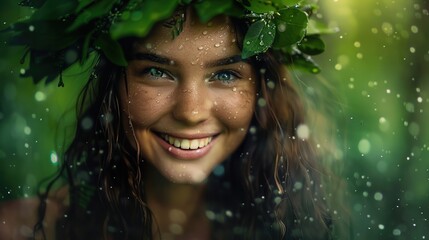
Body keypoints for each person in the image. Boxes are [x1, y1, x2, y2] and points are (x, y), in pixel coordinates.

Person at [0, 1, 347, 239]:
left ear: (261, 92)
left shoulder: (284, 228)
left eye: (225, 75)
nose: (190, 112)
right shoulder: (19, 230)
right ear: (113, 88)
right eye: (156, 71)